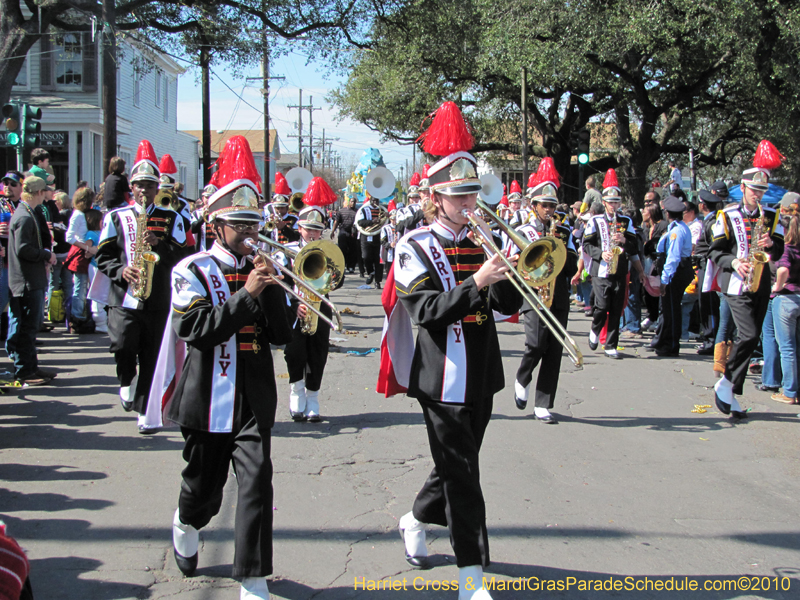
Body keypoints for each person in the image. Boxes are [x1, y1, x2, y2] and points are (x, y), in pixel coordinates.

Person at [146, 135, 292, 600]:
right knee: (203, 493)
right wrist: (248, 292)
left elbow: (280, 336)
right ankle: (185, 520)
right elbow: (198, 330)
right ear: (216, 224)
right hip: (206, 394)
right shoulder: (190, 270)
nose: (251, 233)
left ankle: (253, 579)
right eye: (240, 225)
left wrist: (270, 290)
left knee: (256, 485)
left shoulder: (266, 269)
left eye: (254, 222)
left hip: (253, 394)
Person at [386, 101, 522, 600]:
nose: (470, 203)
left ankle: (415, 518)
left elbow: (506, 303)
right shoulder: (413, 247)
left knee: (456, 465)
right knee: (465, 474)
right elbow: (426, 311)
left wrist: (514, 274)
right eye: (459, 195)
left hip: (481, 372)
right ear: (435, 198)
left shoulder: (483, 240)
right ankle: (472, 577)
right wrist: (477, 280)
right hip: (441, 377)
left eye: (472, 193)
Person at [95, 139, 190, 433]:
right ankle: (126, 379)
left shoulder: (171, 217)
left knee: (151, 355)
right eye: (139, 185)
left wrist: (160, 246)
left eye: (149, 185)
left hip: (158, 298)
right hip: (124, 296)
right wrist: (122, 270)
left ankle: (143, 409)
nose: (144, 190)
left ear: (156, 187)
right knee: (123, 344)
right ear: (131, 187)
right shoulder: (115, 217)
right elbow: (103, 255)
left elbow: (185, 256)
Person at [706, 140, 786, 419]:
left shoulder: (772, 216)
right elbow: (714, 252)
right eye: (754, 190)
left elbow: (780, 249)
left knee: (752, 340)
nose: (758, 196)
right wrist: (735, 261)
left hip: (761, 283)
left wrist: (770, 245)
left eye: (762, 191)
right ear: (743, 189)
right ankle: (726, 381)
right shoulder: (727, 215)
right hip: (735, 285)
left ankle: (730, 390)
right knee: (749, 333)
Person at [511, 159, 577, 424]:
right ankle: (522, 376)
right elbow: (515, 263)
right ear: (534, 205)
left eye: (552, 205)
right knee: (536, 344)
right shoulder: (522, 230)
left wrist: (559, 247)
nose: (549, 210)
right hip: (534, 295)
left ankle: (543, 403)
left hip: (558, 294)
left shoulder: (564, 230)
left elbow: (571, 265)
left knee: (554, 350)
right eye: (544, 205)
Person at [283, 198, 343, 422]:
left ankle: (313, 397)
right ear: (299, 228)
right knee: (295, 352)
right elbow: (280, 280)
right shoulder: (286, 251)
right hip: (295, 308)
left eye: (317, 230)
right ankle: (296, 391)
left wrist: (333, 269)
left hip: (319, 307)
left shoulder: (326, 250)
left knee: (318, 353)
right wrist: (293, 302)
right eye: (308, 229)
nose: (312, 234)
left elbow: (338, 281)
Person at [583, 169, 641, 359]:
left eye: (616, 202)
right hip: (600, 270)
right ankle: (595, 328)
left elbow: (635, 247)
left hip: (620, 270)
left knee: (616, 307)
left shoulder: (626, 221)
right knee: (601, 305)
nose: (613, 206)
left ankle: (611, 345)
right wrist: (602, 254)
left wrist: (624, 240)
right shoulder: (596, 221)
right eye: (610, 202)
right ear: (605, 203)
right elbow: (587, 244)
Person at [6, 176, 57, 386]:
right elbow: (23, 249)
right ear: (38, 193)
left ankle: (31, 367)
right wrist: (45, 255)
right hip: (26, 281)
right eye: (44, 191)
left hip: (29, 279)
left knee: (29, 327)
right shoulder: (25, 217)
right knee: (26, 328)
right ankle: (24, 370)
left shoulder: (27, 213)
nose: (47, 194)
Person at [648, 196, 693, 356]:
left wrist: (665, 280)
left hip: (676, 272)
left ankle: (671, 344)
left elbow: (673, 258)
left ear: (668, 213)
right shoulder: (678, 227)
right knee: (668, 309)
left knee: (671, 310)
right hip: (676, 270)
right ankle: (664, 341)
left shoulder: (677, 231)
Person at [771, 213, 800, 404]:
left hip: (787, 298)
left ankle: (789, 391)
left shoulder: (786, 248)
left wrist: (776, 287)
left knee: (787, 347)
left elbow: (782, 269)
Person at [695, 190, 724, 355]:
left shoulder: (713, 222)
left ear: (702, 205)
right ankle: (709, 337)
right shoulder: (709, 220)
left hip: (709, 266)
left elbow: (714, 245)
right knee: (704, 303)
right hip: (703, 265)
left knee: (709, 303)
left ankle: (711, 339)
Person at [66, 187, 97, 328]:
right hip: (80, 253)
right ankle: (76, 317)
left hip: (83, 252)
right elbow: (69, 237)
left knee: (82, 286)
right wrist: (86, 247)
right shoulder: (78, 215)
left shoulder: (79, 214)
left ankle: (78, 315)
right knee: (80, 287)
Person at [356, 194, 384, 289]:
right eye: (374, 200)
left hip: (378, 236)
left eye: (377, 200)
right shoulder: (364, 209)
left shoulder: (382, 210)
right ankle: (370, 272)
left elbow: (387, 221)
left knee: (378, 260)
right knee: (366, 257)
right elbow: (360, 222)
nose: (376, 202)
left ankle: (377, 281)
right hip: (366, 236)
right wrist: (372, 222)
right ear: (370, 200)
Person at [331, 194, 359, 274]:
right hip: (343, 232)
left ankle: (351, 266)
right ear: (349, 202)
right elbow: (336, 222)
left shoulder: (357, 212)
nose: (353, 203)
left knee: (352, 251)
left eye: (354, 202)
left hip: (352, 233)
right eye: (351, 201)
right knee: (342, 249)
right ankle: (342, 265)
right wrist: (333, 231)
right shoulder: (342, 211)